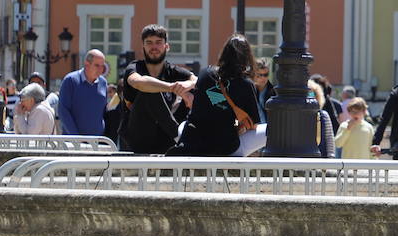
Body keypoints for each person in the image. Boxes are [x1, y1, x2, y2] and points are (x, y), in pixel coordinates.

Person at [171, 35, 261, 157]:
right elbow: (254, 125)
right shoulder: (246, 84)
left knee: (183, 125)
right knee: (267, 130)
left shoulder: (205, 73)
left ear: (224, 53)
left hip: (191, 141)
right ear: (248, 57)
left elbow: (209, 106)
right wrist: (235, 124)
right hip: (225, 147)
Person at [119, 24, 195, 154]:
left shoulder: (172, 70)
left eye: (158, 42)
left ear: (167, 46)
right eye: (149, 43)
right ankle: (179, 136)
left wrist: (187, 87)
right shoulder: (134, 67)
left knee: (199, 89)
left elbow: (196, 79)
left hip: (165, 140)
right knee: (148, 90)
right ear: (143, 46)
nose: (154, 47)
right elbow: (137, 81)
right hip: (137, 139)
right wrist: (171, 87)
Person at [57, 50, 109, 137]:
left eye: (102, 66)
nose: (101, 70)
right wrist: (76, 137)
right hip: (73, 142)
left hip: (97, 141)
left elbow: (102, 111)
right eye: (97, 65)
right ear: (87, 64)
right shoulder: (70, 80)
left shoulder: (103, 83)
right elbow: (63, 110)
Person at [310, 79, 337, 158]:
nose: (310, 96)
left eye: (312, 93)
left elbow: (329, 139)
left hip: (321, 159)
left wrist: (331, 157)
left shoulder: (323, 115)